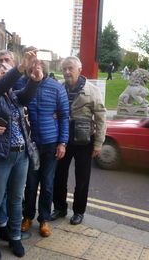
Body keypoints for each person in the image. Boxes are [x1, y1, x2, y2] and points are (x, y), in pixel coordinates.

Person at [0, 52, 43, 259]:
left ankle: (15, 237)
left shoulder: (13, 96)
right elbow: (1, 85)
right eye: (0, 71)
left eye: (6, 70)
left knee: (17, 200)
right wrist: (18, 69)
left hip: (21, 155)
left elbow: (26, 95)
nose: (4, 72)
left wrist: (35, 79)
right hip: (0, 157)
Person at [14, 59, 69, 238]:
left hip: (50, 142)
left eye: (37, 63)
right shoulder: (20, 83)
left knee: (47, 183)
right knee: (30, 183)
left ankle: (44, 219)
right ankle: (28, 216)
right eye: (31, 63)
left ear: (43, 66)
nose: (34, 66)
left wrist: (62, 143)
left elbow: (63, 116)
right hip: (30, 142)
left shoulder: (56, 87)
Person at [51, 56, 106, 225]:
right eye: (64, 69)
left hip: (84, 141)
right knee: (59, 176)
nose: (67, 72)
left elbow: (101, 118)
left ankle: (79, 211)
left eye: (70, 68)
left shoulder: (92, 90)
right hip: (62, 139)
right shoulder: (58, 87)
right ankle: (60, 208)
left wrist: (98, 142)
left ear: (79, 70)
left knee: (82, 178)